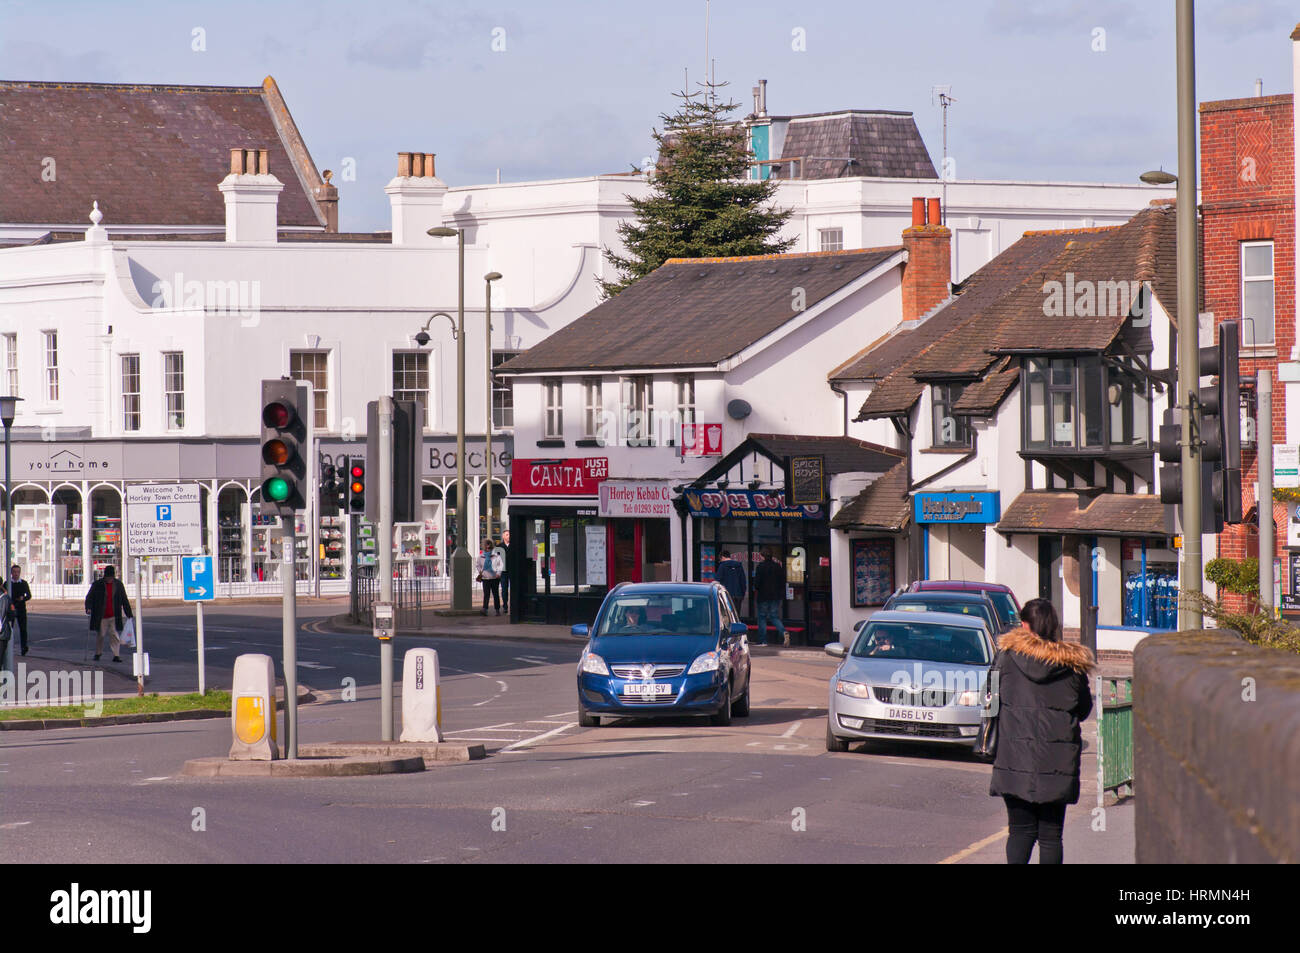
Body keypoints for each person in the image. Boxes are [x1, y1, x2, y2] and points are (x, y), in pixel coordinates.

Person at [988, 597, 1095, 864]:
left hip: (1015, 758)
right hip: (1057, 762)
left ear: (1024, 625)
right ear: (1054, 626)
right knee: (1050, 836)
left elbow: (988, 701)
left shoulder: (1006, 658)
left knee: (1020, 831)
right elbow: (1083, 709)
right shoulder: (1072, 665)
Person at [85, 565, 133, 663]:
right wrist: (88, 608)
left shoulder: (118, 585)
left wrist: (129, 613)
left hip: (114, 615)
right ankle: (98, 653)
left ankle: (116, 655)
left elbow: (124, 599)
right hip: (101, 615)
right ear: (105, 576)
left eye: (111, 577)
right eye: (108, 577)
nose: (109, 579)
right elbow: (89, 597)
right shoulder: (97, 584)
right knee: (101, 635)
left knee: (114, 635)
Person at [752, 549, 787, 647]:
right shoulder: (777, 567)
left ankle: (762, 641)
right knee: (774, 616)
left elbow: (757, 584)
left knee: (762, 618)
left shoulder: (760, 567)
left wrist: (757, 587)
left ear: (762, 556)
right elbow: (783, 581)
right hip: (775, 596)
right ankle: (784, 632)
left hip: (763, 596)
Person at [8, 564, 31, 656]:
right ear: (11, 573)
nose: (16, 574)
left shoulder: (24, 583)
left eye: (18, 572)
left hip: (21, 608)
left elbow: (29, 595)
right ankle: (8, 647)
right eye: (14, 572)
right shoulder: (8, 583)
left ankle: (23, 647)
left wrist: (23, 598)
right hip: (11, 609)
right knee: (10, 628)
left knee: (23, 629)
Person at [479, 539, 502, 616]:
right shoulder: (481, 556)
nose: (488, 549)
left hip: (495, 578)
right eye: (486, 547)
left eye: (490, 547)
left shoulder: (496, 556)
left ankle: (497, 610)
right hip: (485, 578)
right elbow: (478, 565)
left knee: (495, 594)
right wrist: (480, 572)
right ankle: (485, 609)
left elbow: (500, 565)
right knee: (486, 594)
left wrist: (498, 573)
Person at [494, 533, 510, 615]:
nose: (509, 536)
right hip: (503, 571)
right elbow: (495, 559)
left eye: (509, 534)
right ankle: (505, 606)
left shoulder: (514, 545)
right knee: (504, 589)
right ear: (503, 536)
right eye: (507, 534)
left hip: (512, 570)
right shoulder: (499, 547)